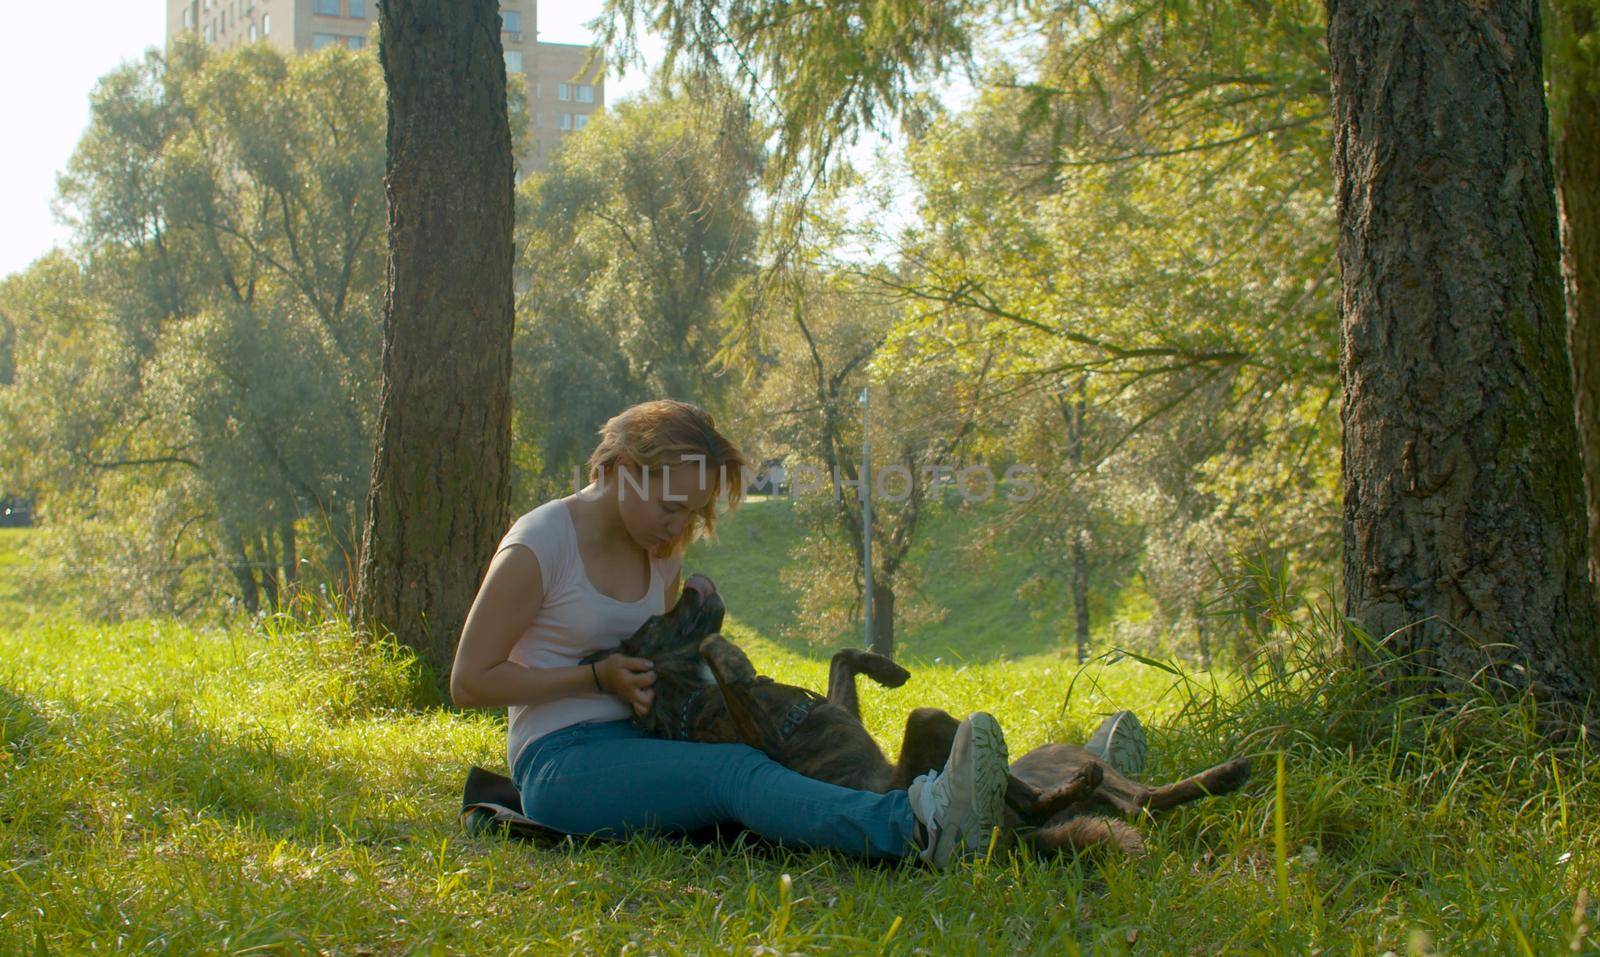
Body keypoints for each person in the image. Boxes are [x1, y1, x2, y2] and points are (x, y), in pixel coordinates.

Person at [449, 399, 1010, 866]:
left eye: (693, 513)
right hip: (561, 762)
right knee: (733, 774)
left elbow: (669, 668)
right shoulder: (540, 544)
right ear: (620, 469)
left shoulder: (661, 551)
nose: (679, 527)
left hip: (653, 741)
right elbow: (470, 682)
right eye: (671, 506)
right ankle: (919, 827)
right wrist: (596, 678)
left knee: (771, 752)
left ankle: (990, 808)